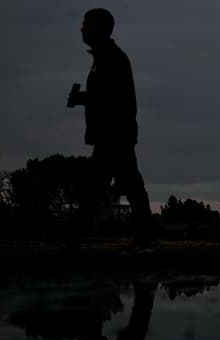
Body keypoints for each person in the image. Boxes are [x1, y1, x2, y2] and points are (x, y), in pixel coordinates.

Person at [66, 8, 155, 251]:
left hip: (114, 133)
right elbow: (105, 94)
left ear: (103, 28)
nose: (83, 28)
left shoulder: (110, 57)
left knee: (103, 187)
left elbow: (109, 95)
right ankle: (145, 239)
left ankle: (74, 237)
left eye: (88, 23)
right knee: (115, 186)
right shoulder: (106, 57)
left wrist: (82, 98)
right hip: (113, 133)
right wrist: (83, 98)